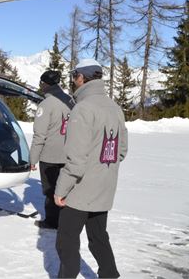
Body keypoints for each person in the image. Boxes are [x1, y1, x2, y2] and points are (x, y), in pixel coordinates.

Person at [54, 59, 128, 278]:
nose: (72, 81)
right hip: (104, 186)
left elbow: (76, 160)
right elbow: (121, 151)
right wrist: (102, 168)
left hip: (80, 190)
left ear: (81, 78)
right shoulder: (114, 108)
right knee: (98, 237)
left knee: (66, 241)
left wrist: (60, 190)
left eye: (73, 76)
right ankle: (110, 275)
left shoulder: (82, 109)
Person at [29, 70, 75, 230]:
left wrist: (32, 159)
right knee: (66, 188)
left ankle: (52, 221)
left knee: (50, 190)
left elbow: (39, 135)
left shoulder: (46, 104)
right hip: (69, 153)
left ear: (44, 84)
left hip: (51, 155)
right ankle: (67, 220)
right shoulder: (70, 100)